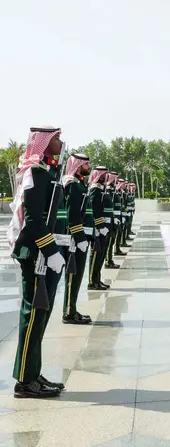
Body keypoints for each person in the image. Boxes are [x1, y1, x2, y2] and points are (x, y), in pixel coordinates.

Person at [7, 127, 67, 398]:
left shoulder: (46, 173)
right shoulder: (35, 174)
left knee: (40, 314)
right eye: (55, 138)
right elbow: (33, 219)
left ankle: (33, 373)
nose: (60, 142)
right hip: (35, 254)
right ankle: (25, 380)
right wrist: (51, 250)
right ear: (42, 144)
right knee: (32, 314)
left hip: (41, 252)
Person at [62, 153, 93, 324]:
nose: (88, 167)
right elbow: (72, 214)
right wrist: (79, 237)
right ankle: (68, 312)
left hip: (79, 236)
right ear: (78, 164)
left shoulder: (79, 183)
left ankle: (72, 309)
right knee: (73, 274)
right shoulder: (73, 184)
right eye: (86, 164)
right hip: (74, 238)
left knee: (78, 274)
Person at [87, 166, 111, 291]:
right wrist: (100, 226)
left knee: (101, 254)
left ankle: (97, 279)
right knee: (96, 254)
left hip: (103, 227)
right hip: (97, 228)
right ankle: (92, 281)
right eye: (104, 174)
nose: (106, 176)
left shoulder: (101, 189)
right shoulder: (94, 190)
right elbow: (95, 210)